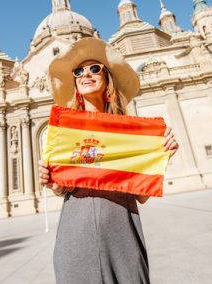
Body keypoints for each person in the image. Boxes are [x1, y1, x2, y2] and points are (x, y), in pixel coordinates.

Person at [38, 37, 179, 284]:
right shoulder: (64, 131)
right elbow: (63, 187)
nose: (86, 75)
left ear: (107, 79)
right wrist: (52, 182)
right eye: (78, 71)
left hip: (121, 228)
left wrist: (161, 155)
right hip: (76, 229)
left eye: (95, 69)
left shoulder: (131, 133)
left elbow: (142, 195)